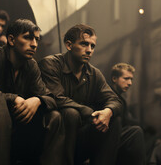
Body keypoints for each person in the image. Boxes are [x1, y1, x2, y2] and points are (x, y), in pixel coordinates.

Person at [0, 19, 64, 165]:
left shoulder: (31, 65)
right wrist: (12, 98)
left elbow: (50, 97)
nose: (34, 44)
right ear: (11, 40)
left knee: (53, 117)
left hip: (17, 131)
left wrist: (37, 100)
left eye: (36, 39)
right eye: (27, 37)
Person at [39, 24, 122, 165]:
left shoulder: (94, 73)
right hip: (51, 137)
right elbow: (56, 98)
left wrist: (108, 111)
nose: (89, 50)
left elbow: (114, 99)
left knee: (115, 120)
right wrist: (89, 112)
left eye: (92, 46)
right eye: (84, 44)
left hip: (79, 136)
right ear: (69, 45)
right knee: (71, 113)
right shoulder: (51, 64)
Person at [109, 62, 146, 165]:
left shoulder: (121, 99)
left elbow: (126, 122)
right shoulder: (107, 95)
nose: (130, 83)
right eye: (126, 78)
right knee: (136, 132)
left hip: (117, 137)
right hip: (106, 138)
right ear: (114, 79)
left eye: (131, 79)